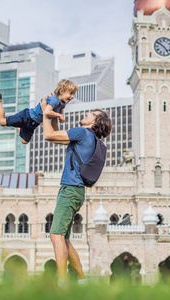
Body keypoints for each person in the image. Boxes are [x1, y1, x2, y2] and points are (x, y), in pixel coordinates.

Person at [42, 102, 112, 286]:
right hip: (76, 191)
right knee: (64, 239)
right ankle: (81, 281)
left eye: (92, 114)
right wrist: (56, 115)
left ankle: (62, 284)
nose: (87, 114)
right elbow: (59, 138)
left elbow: (49, 135)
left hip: (70, 189)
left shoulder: (82, 133)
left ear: (94, 123)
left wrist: (45, 113)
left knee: (55, 235)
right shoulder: (90, 139)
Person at [0, 79, 78, 144]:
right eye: (70, 93)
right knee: (2, 121)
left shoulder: (63, 103)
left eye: (73, 94)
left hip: (33, 123)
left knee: (24, 141)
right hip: (27, 116)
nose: (72, 97)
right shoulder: (54, 100)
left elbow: (60, 110)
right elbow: (47, 112)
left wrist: (60, 116)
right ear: (61, 91)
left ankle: (17, 125)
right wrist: (59, 116)